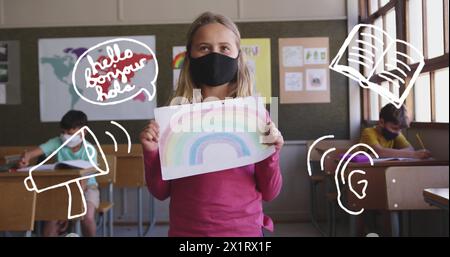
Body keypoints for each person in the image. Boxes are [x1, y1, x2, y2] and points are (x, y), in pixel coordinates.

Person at [140, 12, 284, 236]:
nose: (215, 55)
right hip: (187, 233)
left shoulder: (255, 117)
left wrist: (272, 153)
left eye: (224, 48)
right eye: (204, 48)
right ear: (190, 56)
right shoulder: (174, 119)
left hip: (244, 233)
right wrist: (151, 154)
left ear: (238, 56)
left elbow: (270, 192)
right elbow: (160, 192)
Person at [18, 110, 99, 237]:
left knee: (87, 218)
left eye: (70, 133)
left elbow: (85, 181)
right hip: (60, 189)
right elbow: (33, 153)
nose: (65, 136)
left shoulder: (89, 150)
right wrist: (25, 158)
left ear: (84, 131)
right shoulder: (57, 142)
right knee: (51, 219)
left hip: (87, 188)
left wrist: (68, 209)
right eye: (63, 132)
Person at [360, 103, 431, 159]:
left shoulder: (397, 133)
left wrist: (389, 153)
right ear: (381, 122)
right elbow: (379, 152)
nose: (397, 132)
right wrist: (414, 155)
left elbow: (410, 149)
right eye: (394, 128)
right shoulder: (368, 132)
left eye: (399, 129)